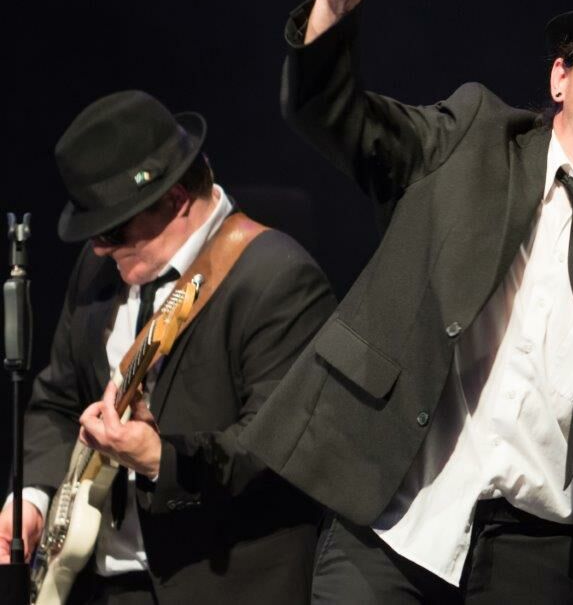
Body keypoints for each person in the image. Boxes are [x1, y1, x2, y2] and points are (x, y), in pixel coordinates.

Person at [240, 0, 573, 604]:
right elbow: (335, 117)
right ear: (561, 76)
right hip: (393, 530)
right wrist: (334, 6)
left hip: (537, 563)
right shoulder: (472, 139)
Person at [0, 90, 335, 604]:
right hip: (105, 587)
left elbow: (282, 452)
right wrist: (33, 498)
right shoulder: (99, 270)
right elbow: (58, 400)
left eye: (113, 230)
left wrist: (162, 459)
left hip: (222, 586)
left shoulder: (277, 279)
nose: (99, 248)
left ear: (176, 201)